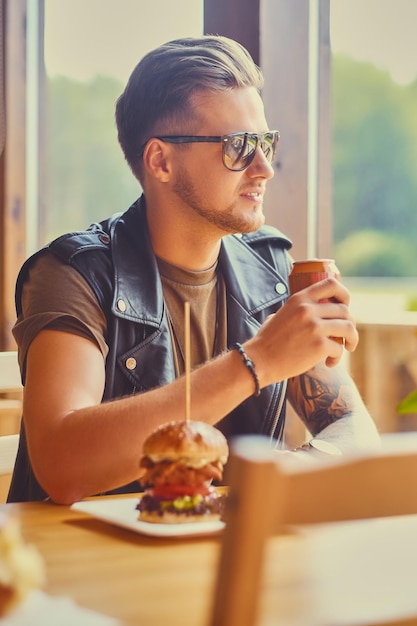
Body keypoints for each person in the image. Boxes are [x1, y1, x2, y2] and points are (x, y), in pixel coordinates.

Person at [8, 35, 379, 504]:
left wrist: (290, 468)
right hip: (87, 567)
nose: (264, 167)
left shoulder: (270, 272)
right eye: (239, 146)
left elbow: (349, 424)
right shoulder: (74, 273)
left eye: (266, 141)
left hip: (221, 558)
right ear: (160, 161)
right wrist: (259, 360)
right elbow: (62, 464)